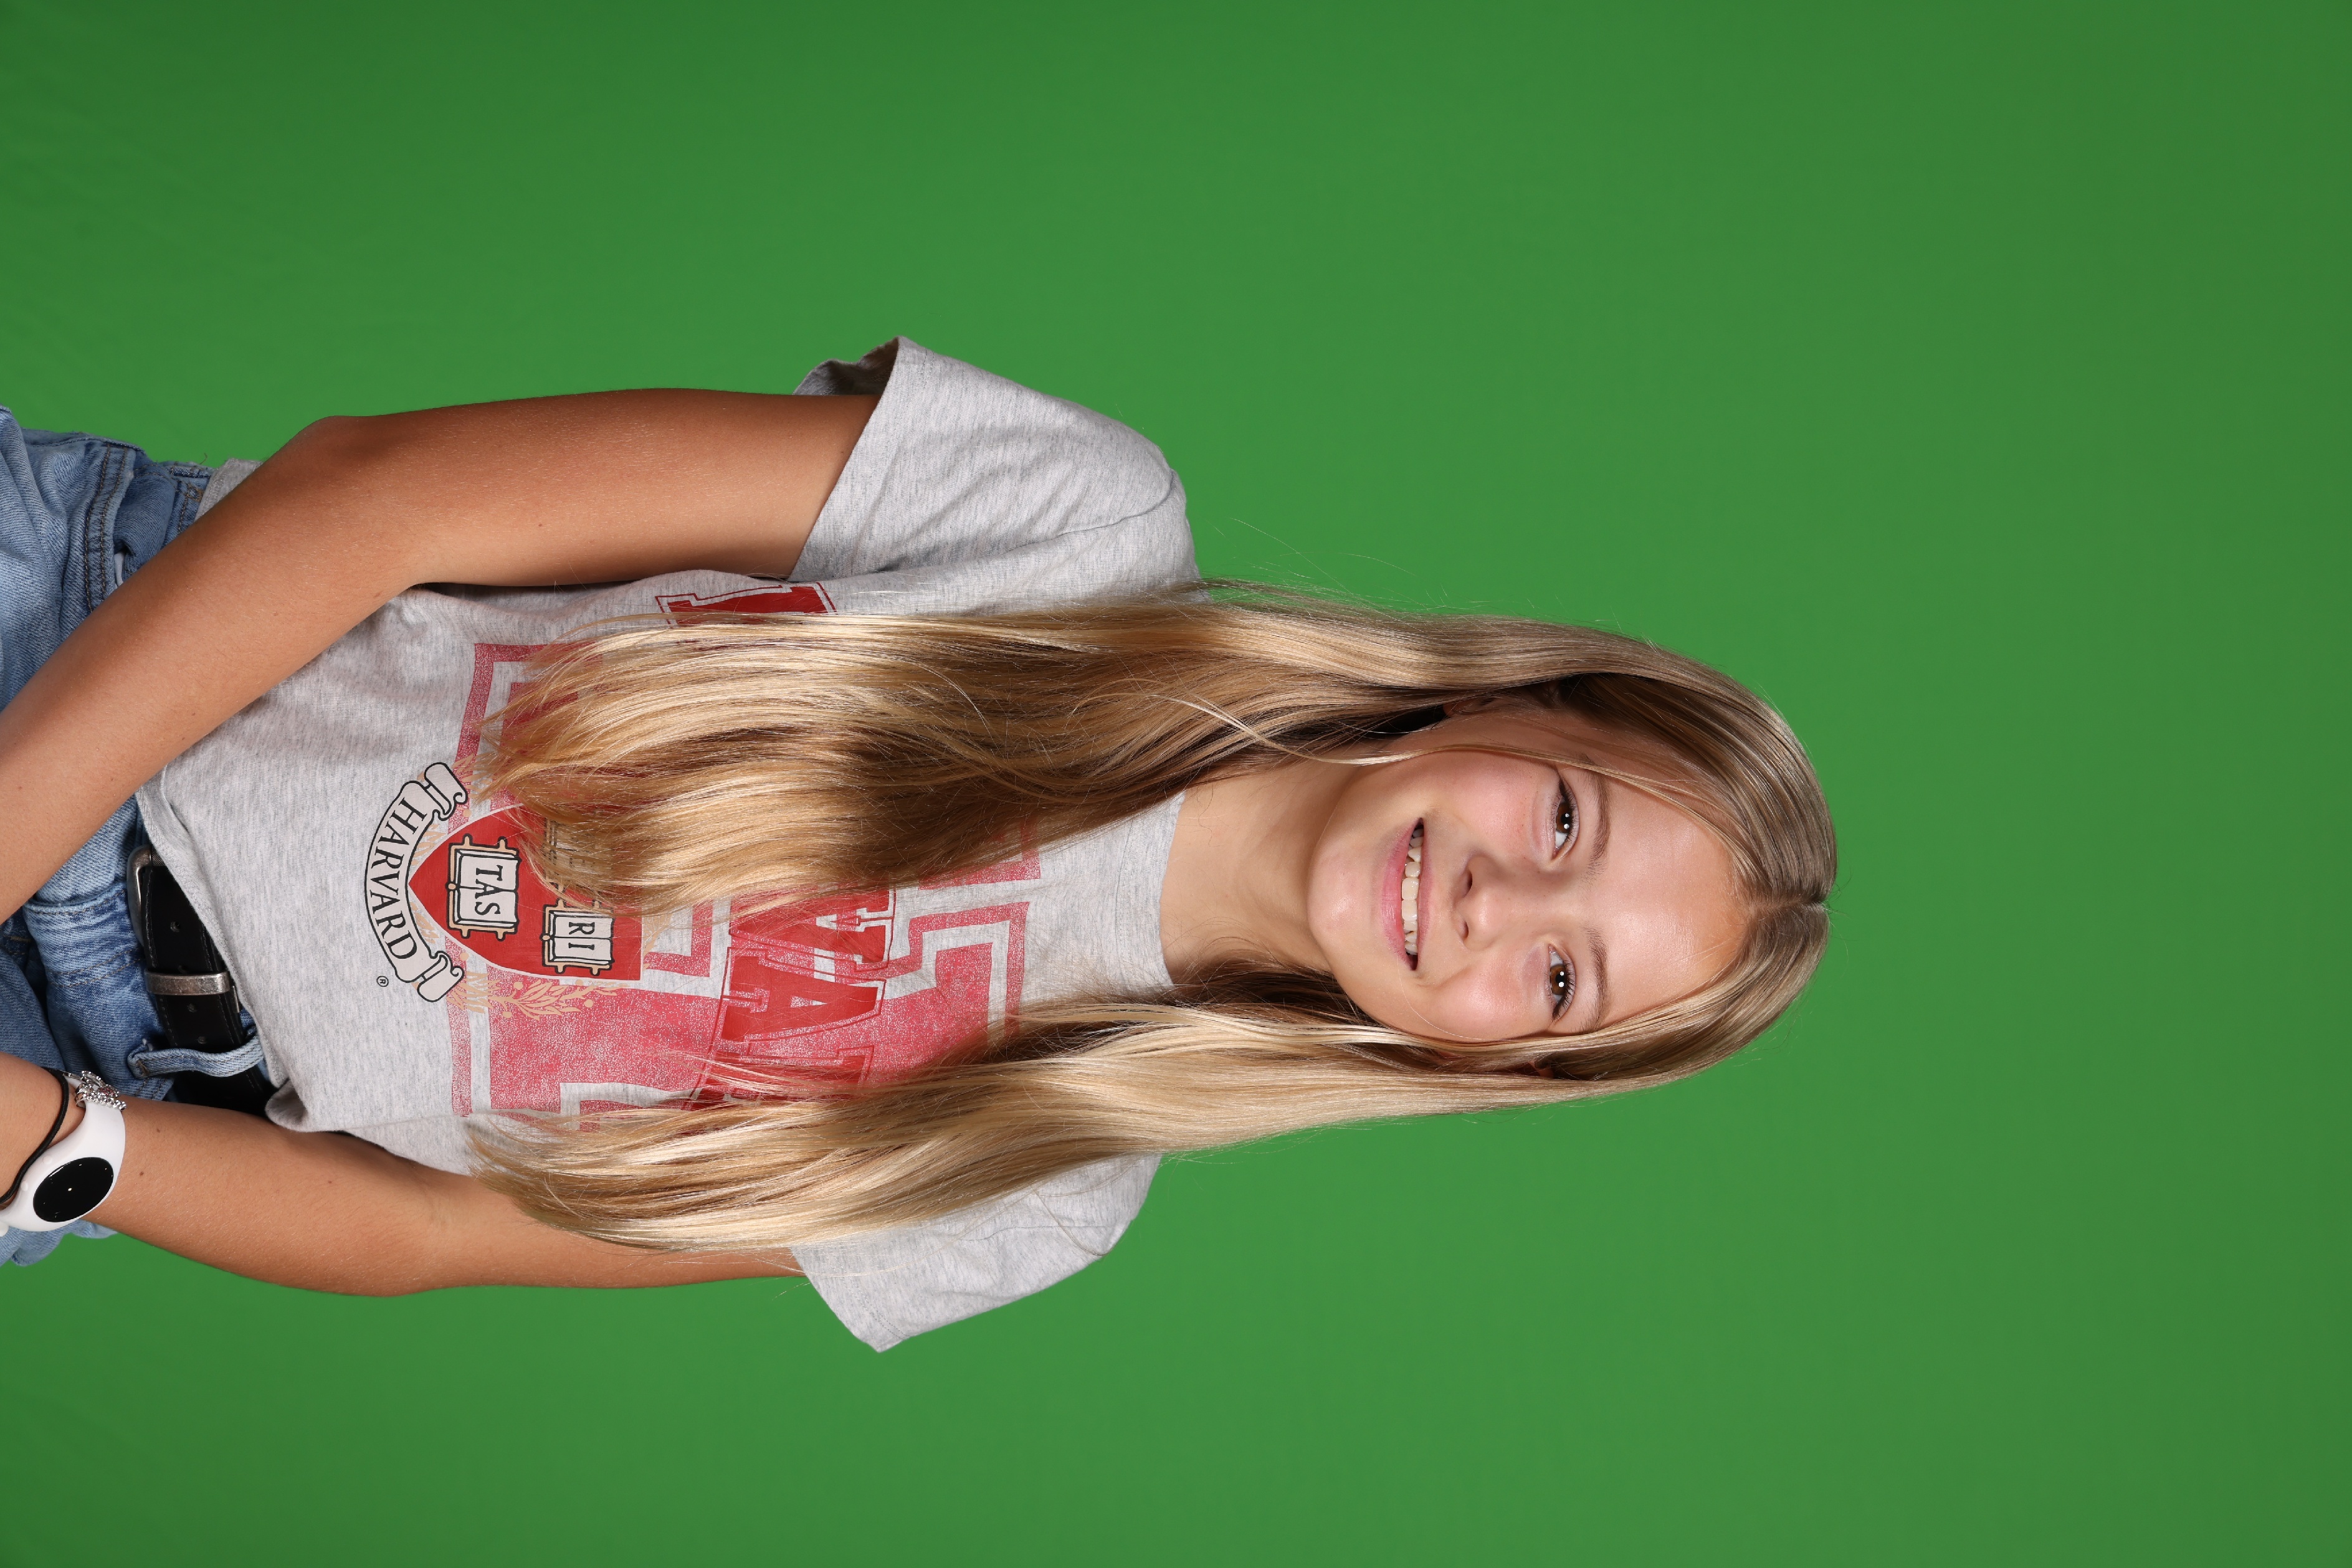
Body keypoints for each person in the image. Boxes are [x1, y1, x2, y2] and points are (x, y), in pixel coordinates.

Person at [0, 340, 1835, 1349]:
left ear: (1501, 1063)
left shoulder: (1037, 1189)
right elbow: (376, 497)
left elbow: (426, 1231)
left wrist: (58, 1149)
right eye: (1568, 817)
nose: (1504, 903)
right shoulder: (1082, 530)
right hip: (72, 643)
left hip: (84, 1082)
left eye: (1564, 977)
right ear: (1516, 704)